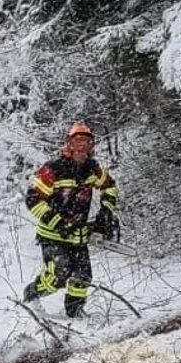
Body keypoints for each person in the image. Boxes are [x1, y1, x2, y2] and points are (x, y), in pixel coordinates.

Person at [21, 121, 120, 319]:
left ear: (91, 146)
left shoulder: (93, 170)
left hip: (79, 235)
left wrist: (106, 211)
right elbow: (33, 199)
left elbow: (110, 187)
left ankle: (75, 312)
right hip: (53, 235)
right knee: (57, 276)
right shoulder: (53, 169)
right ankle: (31, 297)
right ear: (69, 144)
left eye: (86, 143)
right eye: (77, 143)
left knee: (82, 277)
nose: (81, 148)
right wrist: (57, 222)